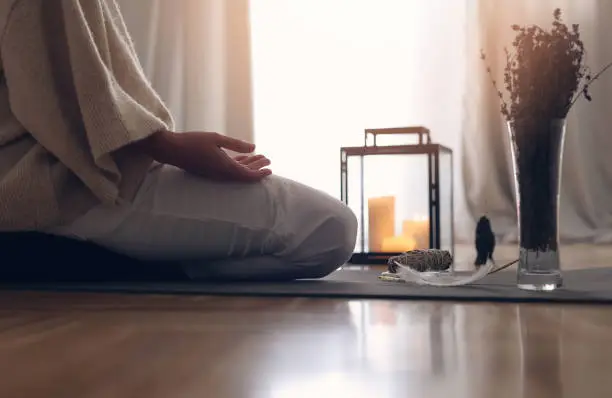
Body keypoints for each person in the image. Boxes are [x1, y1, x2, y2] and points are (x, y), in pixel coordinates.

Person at [0, 0, 357, 281]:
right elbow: (70, 101)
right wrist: (169, 147)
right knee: (328, 228)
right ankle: (120, 267)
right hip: (55, 183)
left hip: (63, 169)